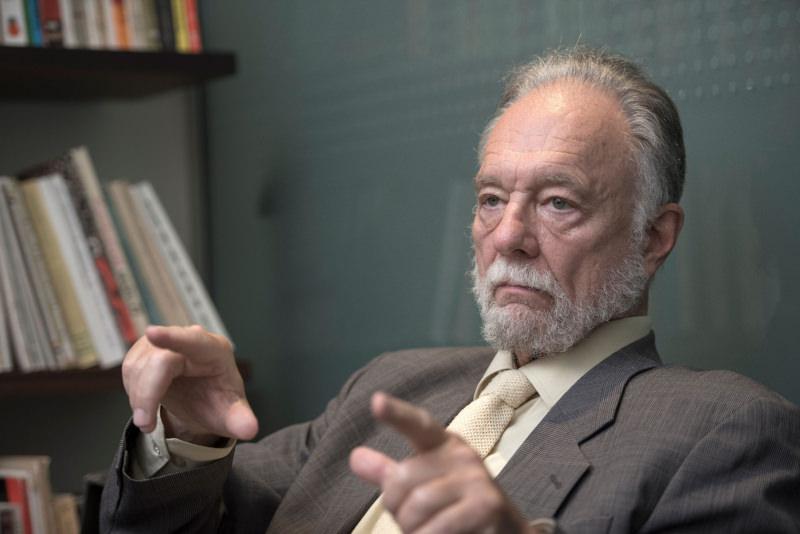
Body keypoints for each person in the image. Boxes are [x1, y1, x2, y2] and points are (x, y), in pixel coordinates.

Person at [100, 47, 800, 533]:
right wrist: (187, 439)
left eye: (558, 202)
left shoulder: (723, 430)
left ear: (653, 237)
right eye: (491, 199)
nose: (509, 235)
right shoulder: (392, 384)